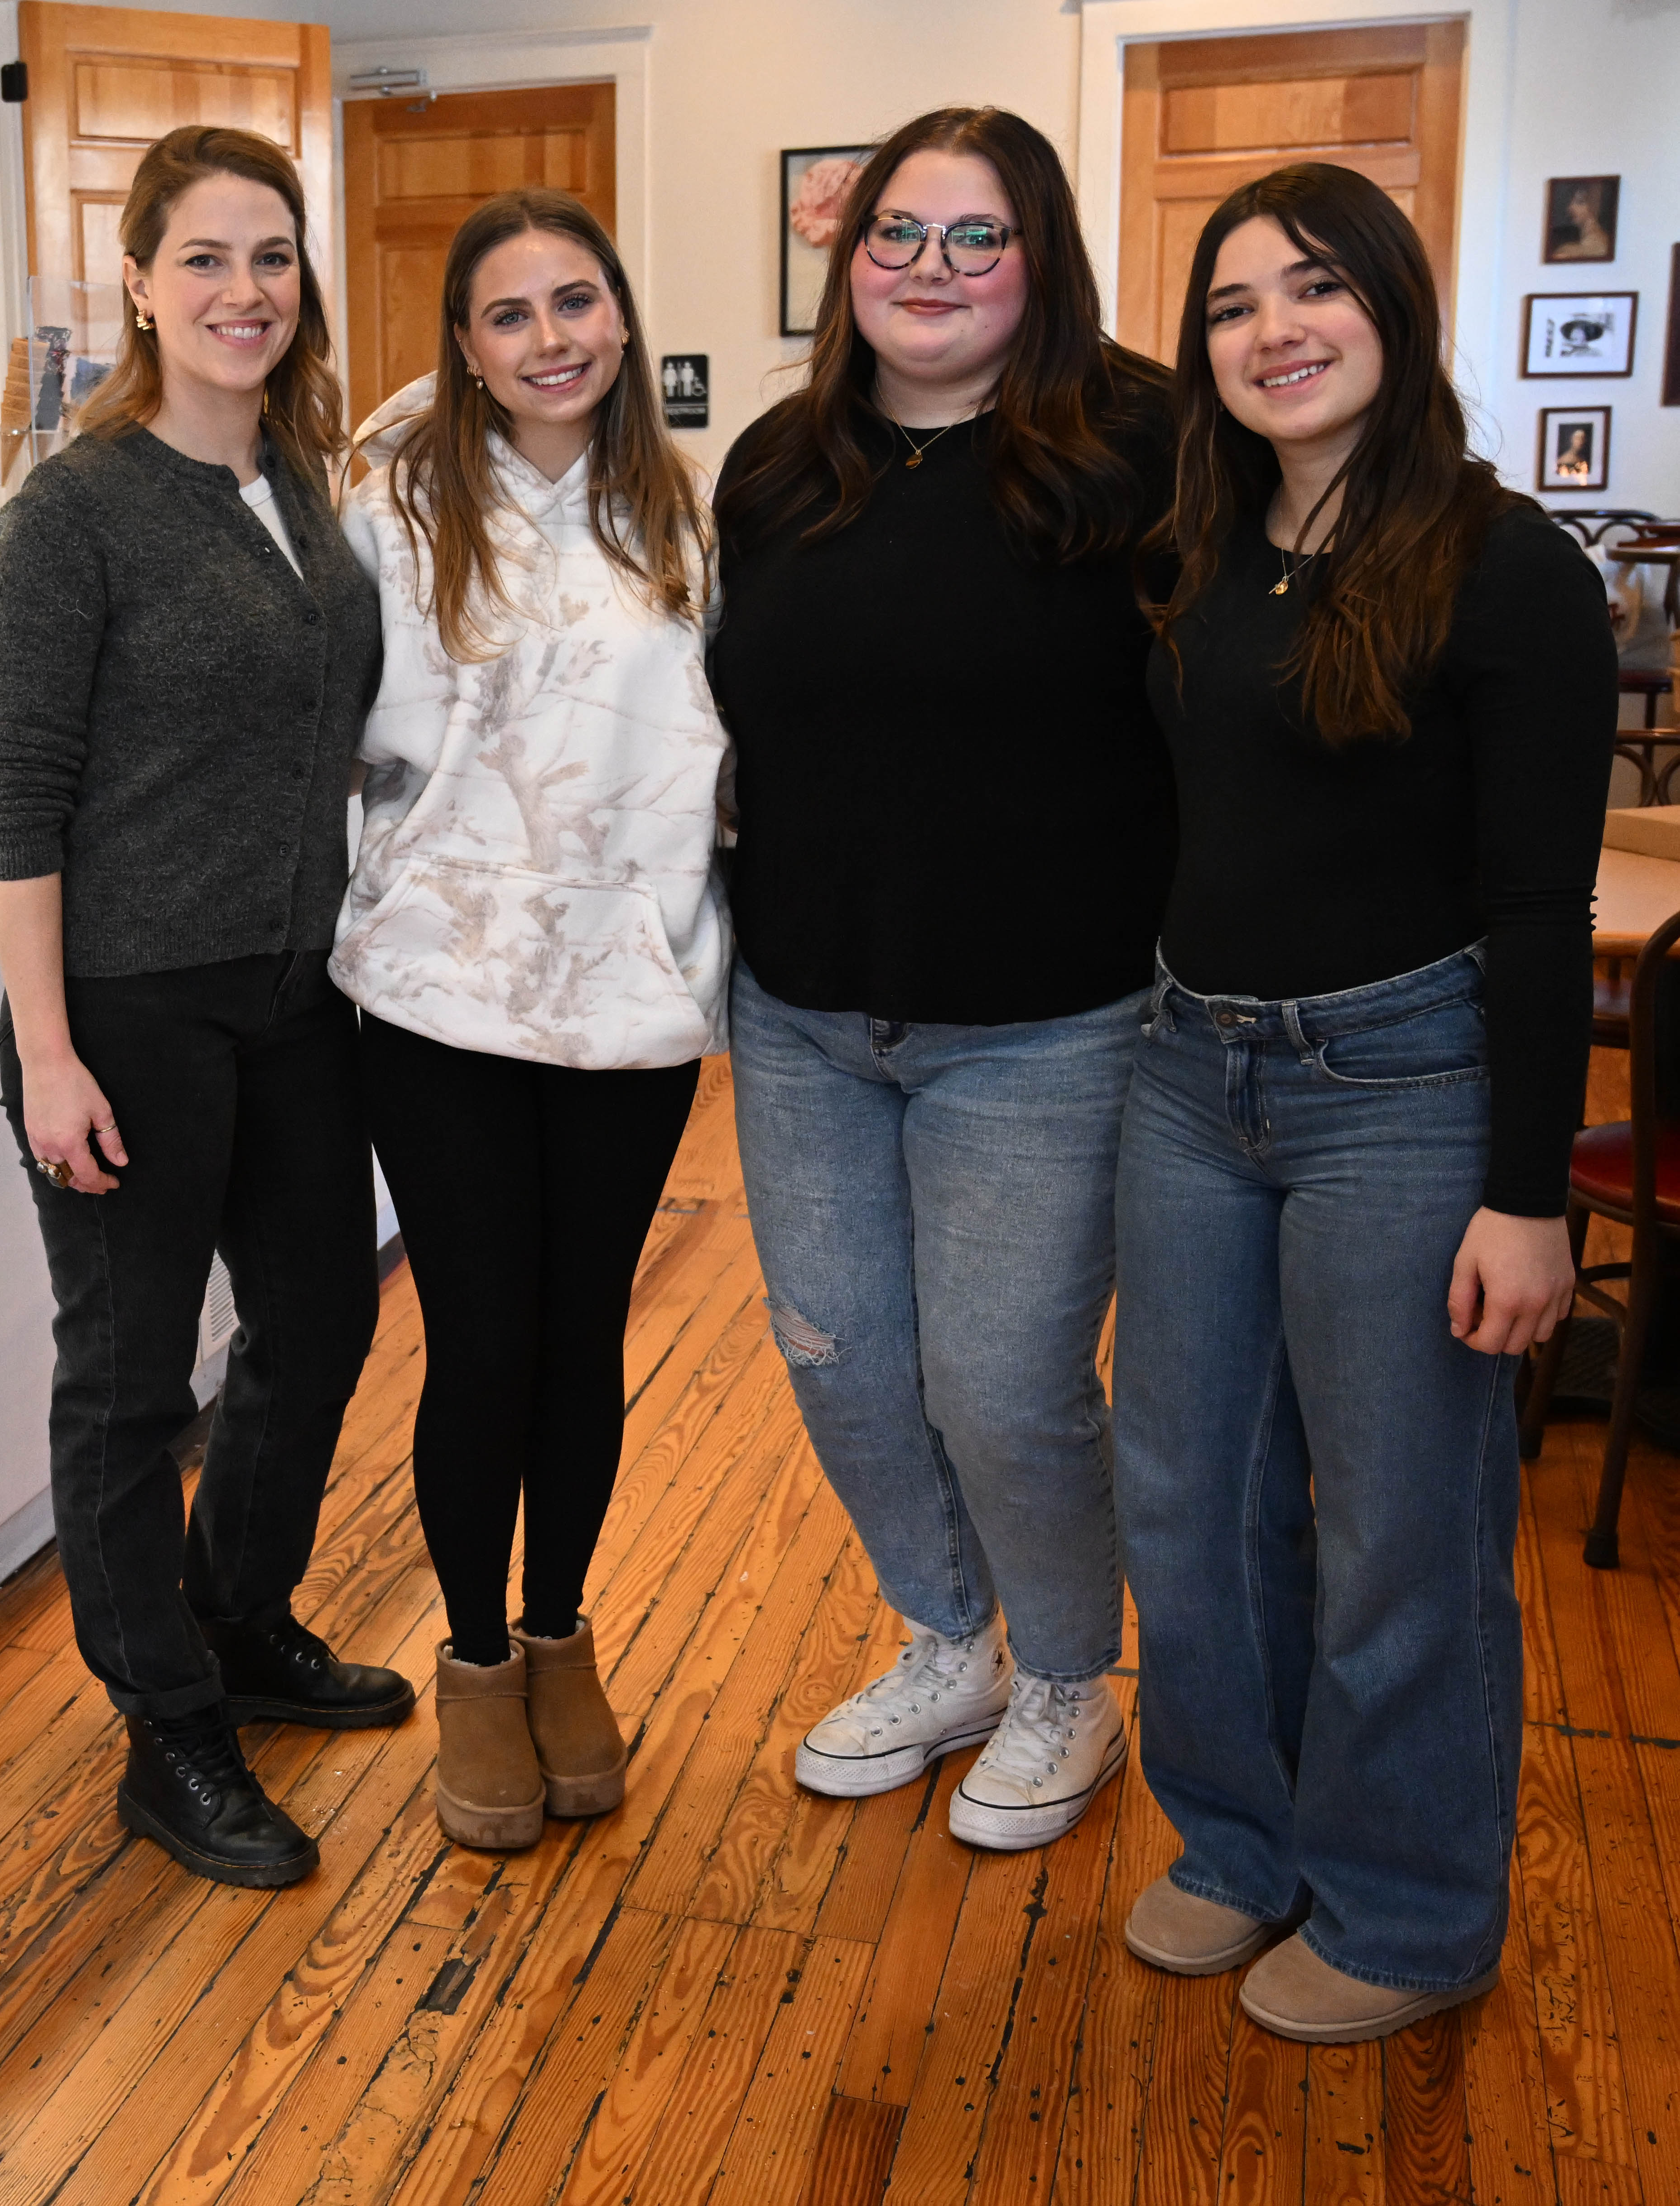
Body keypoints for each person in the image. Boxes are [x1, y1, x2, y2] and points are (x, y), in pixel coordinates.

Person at [1113, 163, 1614, 2041]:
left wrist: (1528, 1194)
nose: (1274, 330)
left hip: (1404, 1089)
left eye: (1314, 286)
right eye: (1233, 304)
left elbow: (1539, 911)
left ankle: (1407, 1913)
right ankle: (1242, 1845)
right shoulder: (1201, 549)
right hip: (1191, 1073)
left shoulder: (1511, 569)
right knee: (1190, 1500)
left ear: (1395, 307)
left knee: (1396, 1527)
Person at [708, 107, 1176, 1849]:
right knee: (840, 1358)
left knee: (1002, 1383)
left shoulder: (1145, 446)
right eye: (900, 233)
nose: (933, 269)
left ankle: (1066, 1679)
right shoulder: (778, 466)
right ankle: (951, 1639)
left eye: (979, 236)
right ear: (853, 257)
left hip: (1047, 1025)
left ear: (1040, 258)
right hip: (807, 1012)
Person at [0, 124, 405, 1892]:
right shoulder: (76, 511)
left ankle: (238, 1619)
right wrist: (49, 1054)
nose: (245, 291)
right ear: (139, 285)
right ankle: (166, 1724)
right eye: (206, 259)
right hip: (126, 1010)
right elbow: (17, 796)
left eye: (272, 257)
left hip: (297, 995)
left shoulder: (305, 487)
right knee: (132, 1381)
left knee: (320, 1320)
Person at [332, 190, 727, 1852]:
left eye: (577, 301)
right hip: (440, 986)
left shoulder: (685, 513)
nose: (551, 338)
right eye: (510, 313)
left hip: (630, 990)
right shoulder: (395, 505)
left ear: (621, 317)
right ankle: (477, 1665)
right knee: (483, 1338)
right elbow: (331, 733)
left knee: (581, 1340)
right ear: (466, 346)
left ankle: (563, 1637)